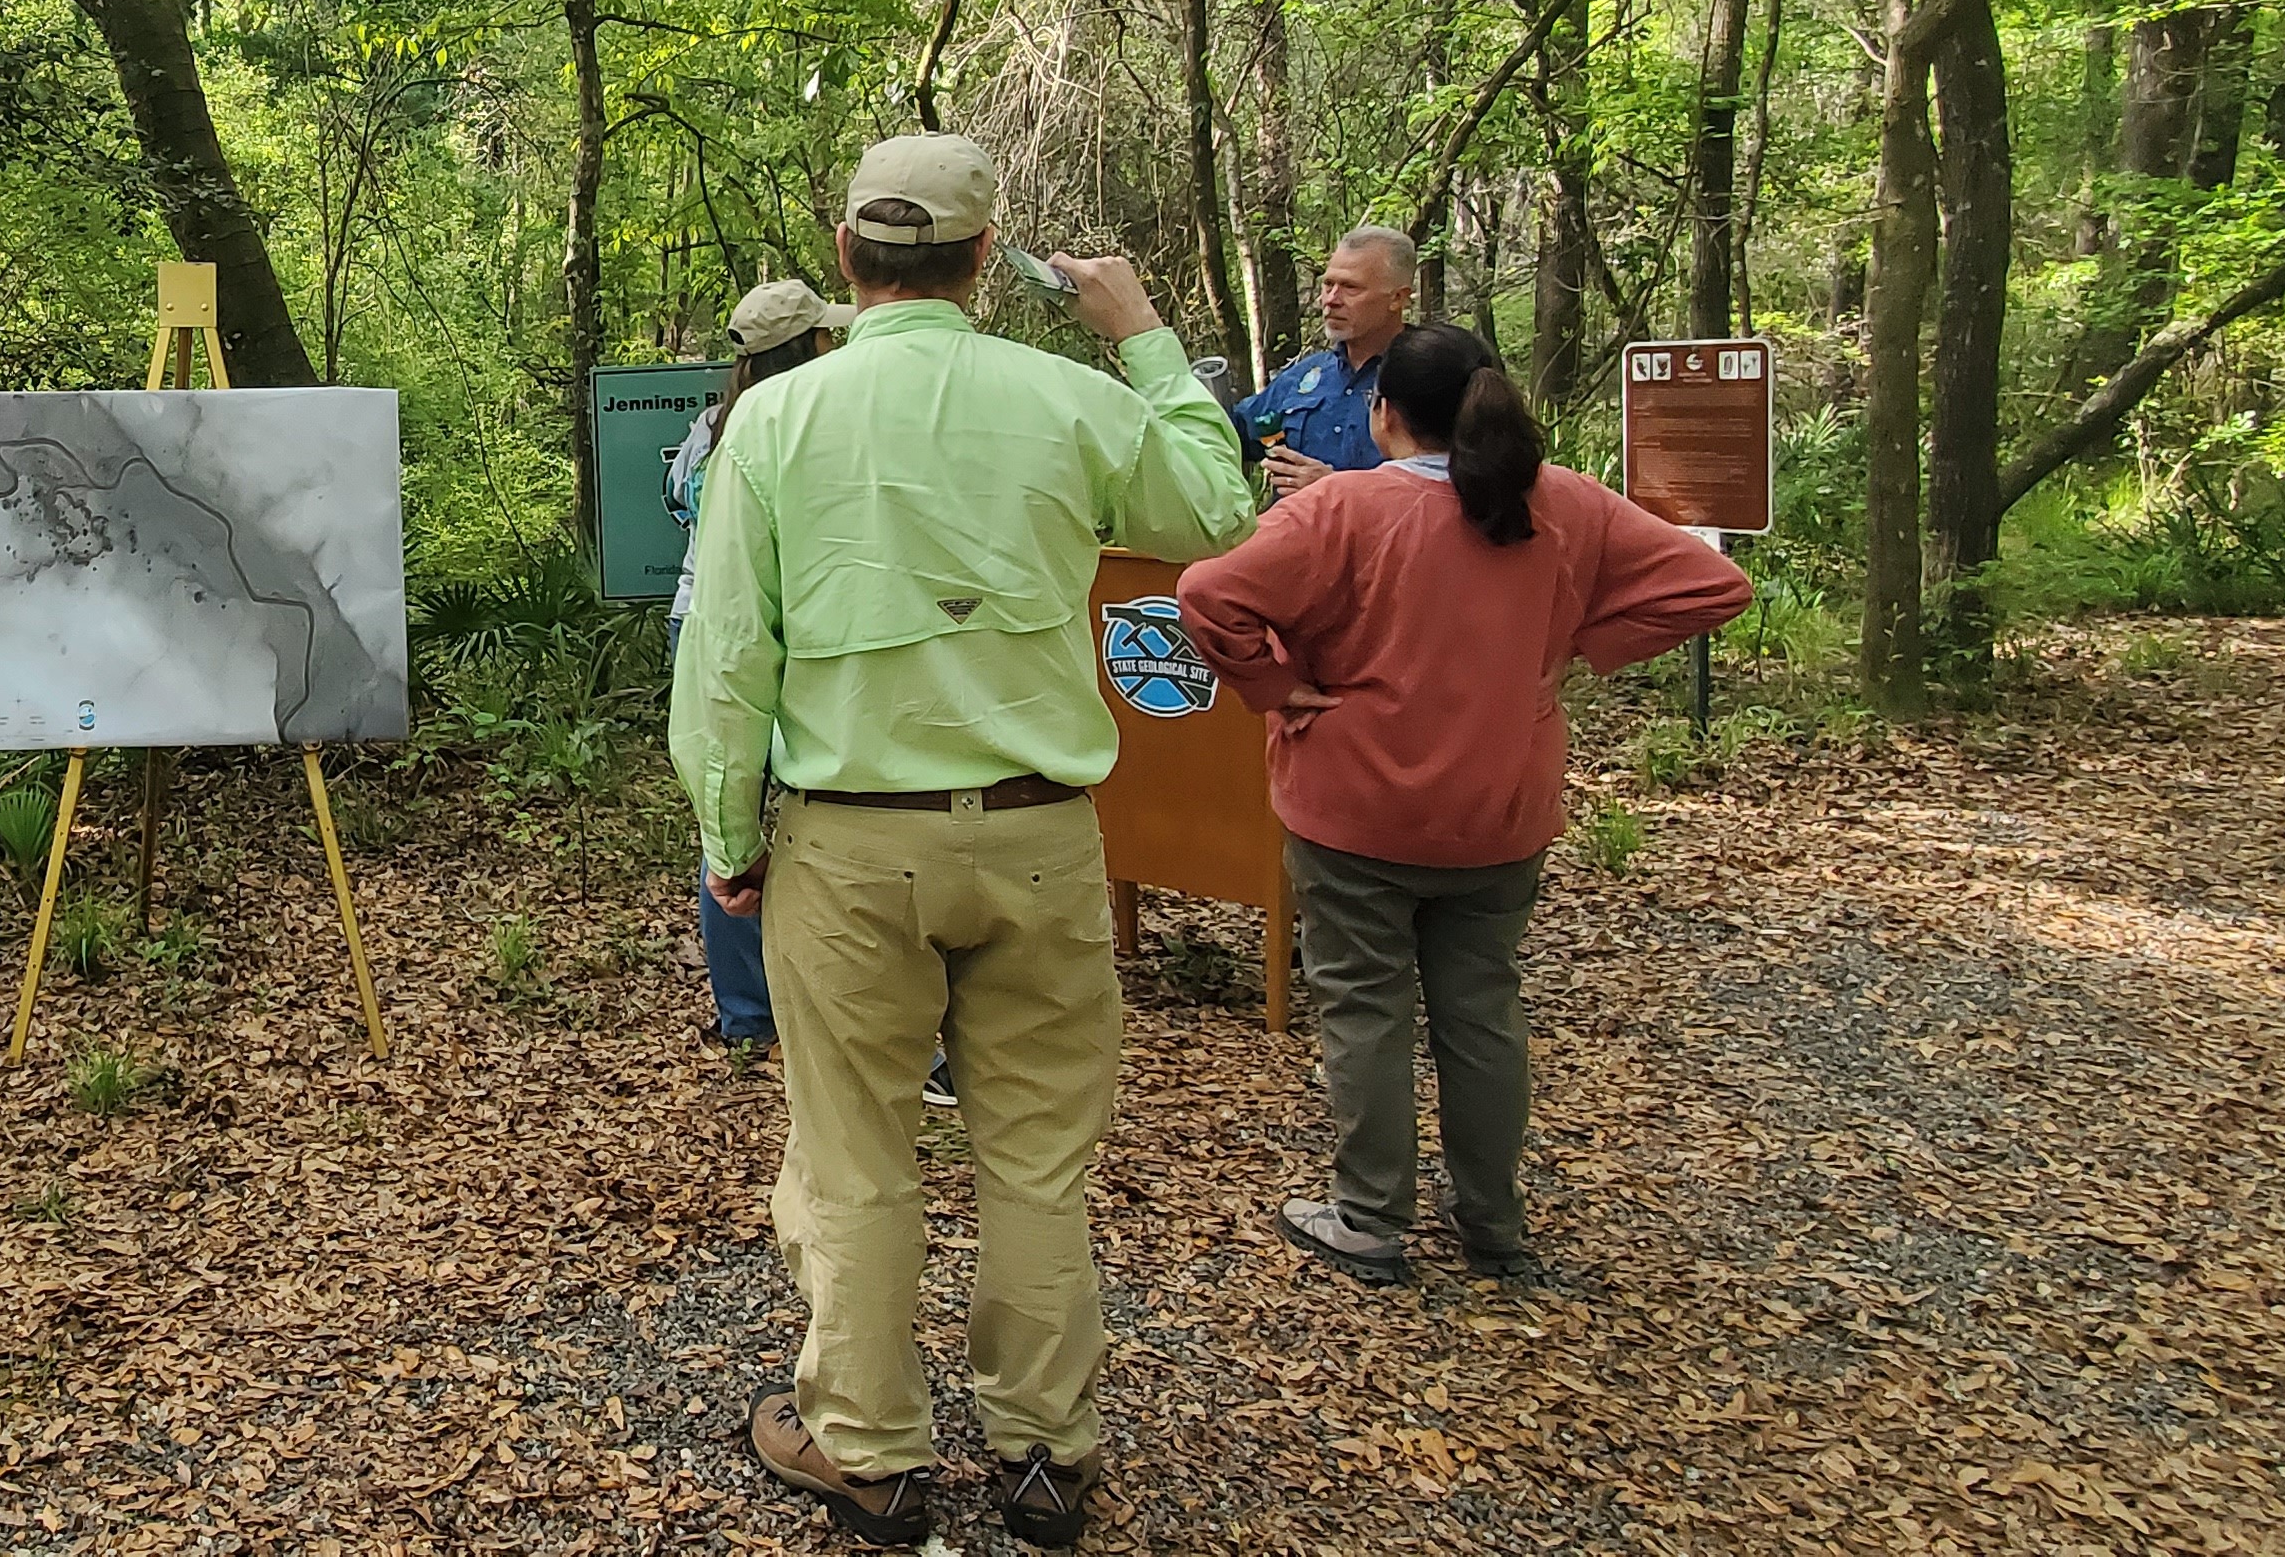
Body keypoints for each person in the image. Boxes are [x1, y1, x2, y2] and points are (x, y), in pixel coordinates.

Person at [671, 134, 1256, 1549]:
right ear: (989, 256)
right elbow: (1218, 511)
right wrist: (1146, 338)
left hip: (847, 846)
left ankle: (870, 1449)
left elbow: (730, 659)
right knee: (1038, 1159)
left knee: (855, 1153)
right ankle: (1046, 1451)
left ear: (847, 253)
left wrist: (728, 832)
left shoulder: (779, 420)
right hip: (1044, 838)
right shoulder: (1064, 400)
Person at [1173, 324, 1750, 1287]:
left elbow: (1208, 596)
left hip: (1350, 802)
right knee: (1479, 1011)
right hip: (1499, 807)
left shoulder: (1342, 510)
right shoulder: (1561, 503)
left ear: (1383, 411)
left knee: (1365, 1007)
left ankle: (1369, 1215)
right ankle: (1493, 1223)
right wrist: (1572, 647)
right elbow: (1711, 584)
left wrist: (1275, 689)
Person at [667, 279, 848, 1050]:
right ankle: (841, 1005)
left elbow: (677, 500)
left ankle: (748, 1017)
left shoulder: (711, 429)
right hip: (798, 631)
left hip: (699, 628)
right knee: (831, 812)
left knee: (726, 822)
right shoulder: (823, 425)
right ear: (809, 346)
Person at [1232, 225, 1418, 496]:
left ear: (1397, 298)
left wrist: (1336, 488)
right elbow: (1234, 435)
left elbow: (1448, 490)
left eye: (1350, 288)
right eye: (1328, 284)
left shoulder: (1431, 377)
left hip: (1378, 536)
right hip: (1291, 533)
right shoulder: (1305, 377)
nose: (1331, 300)